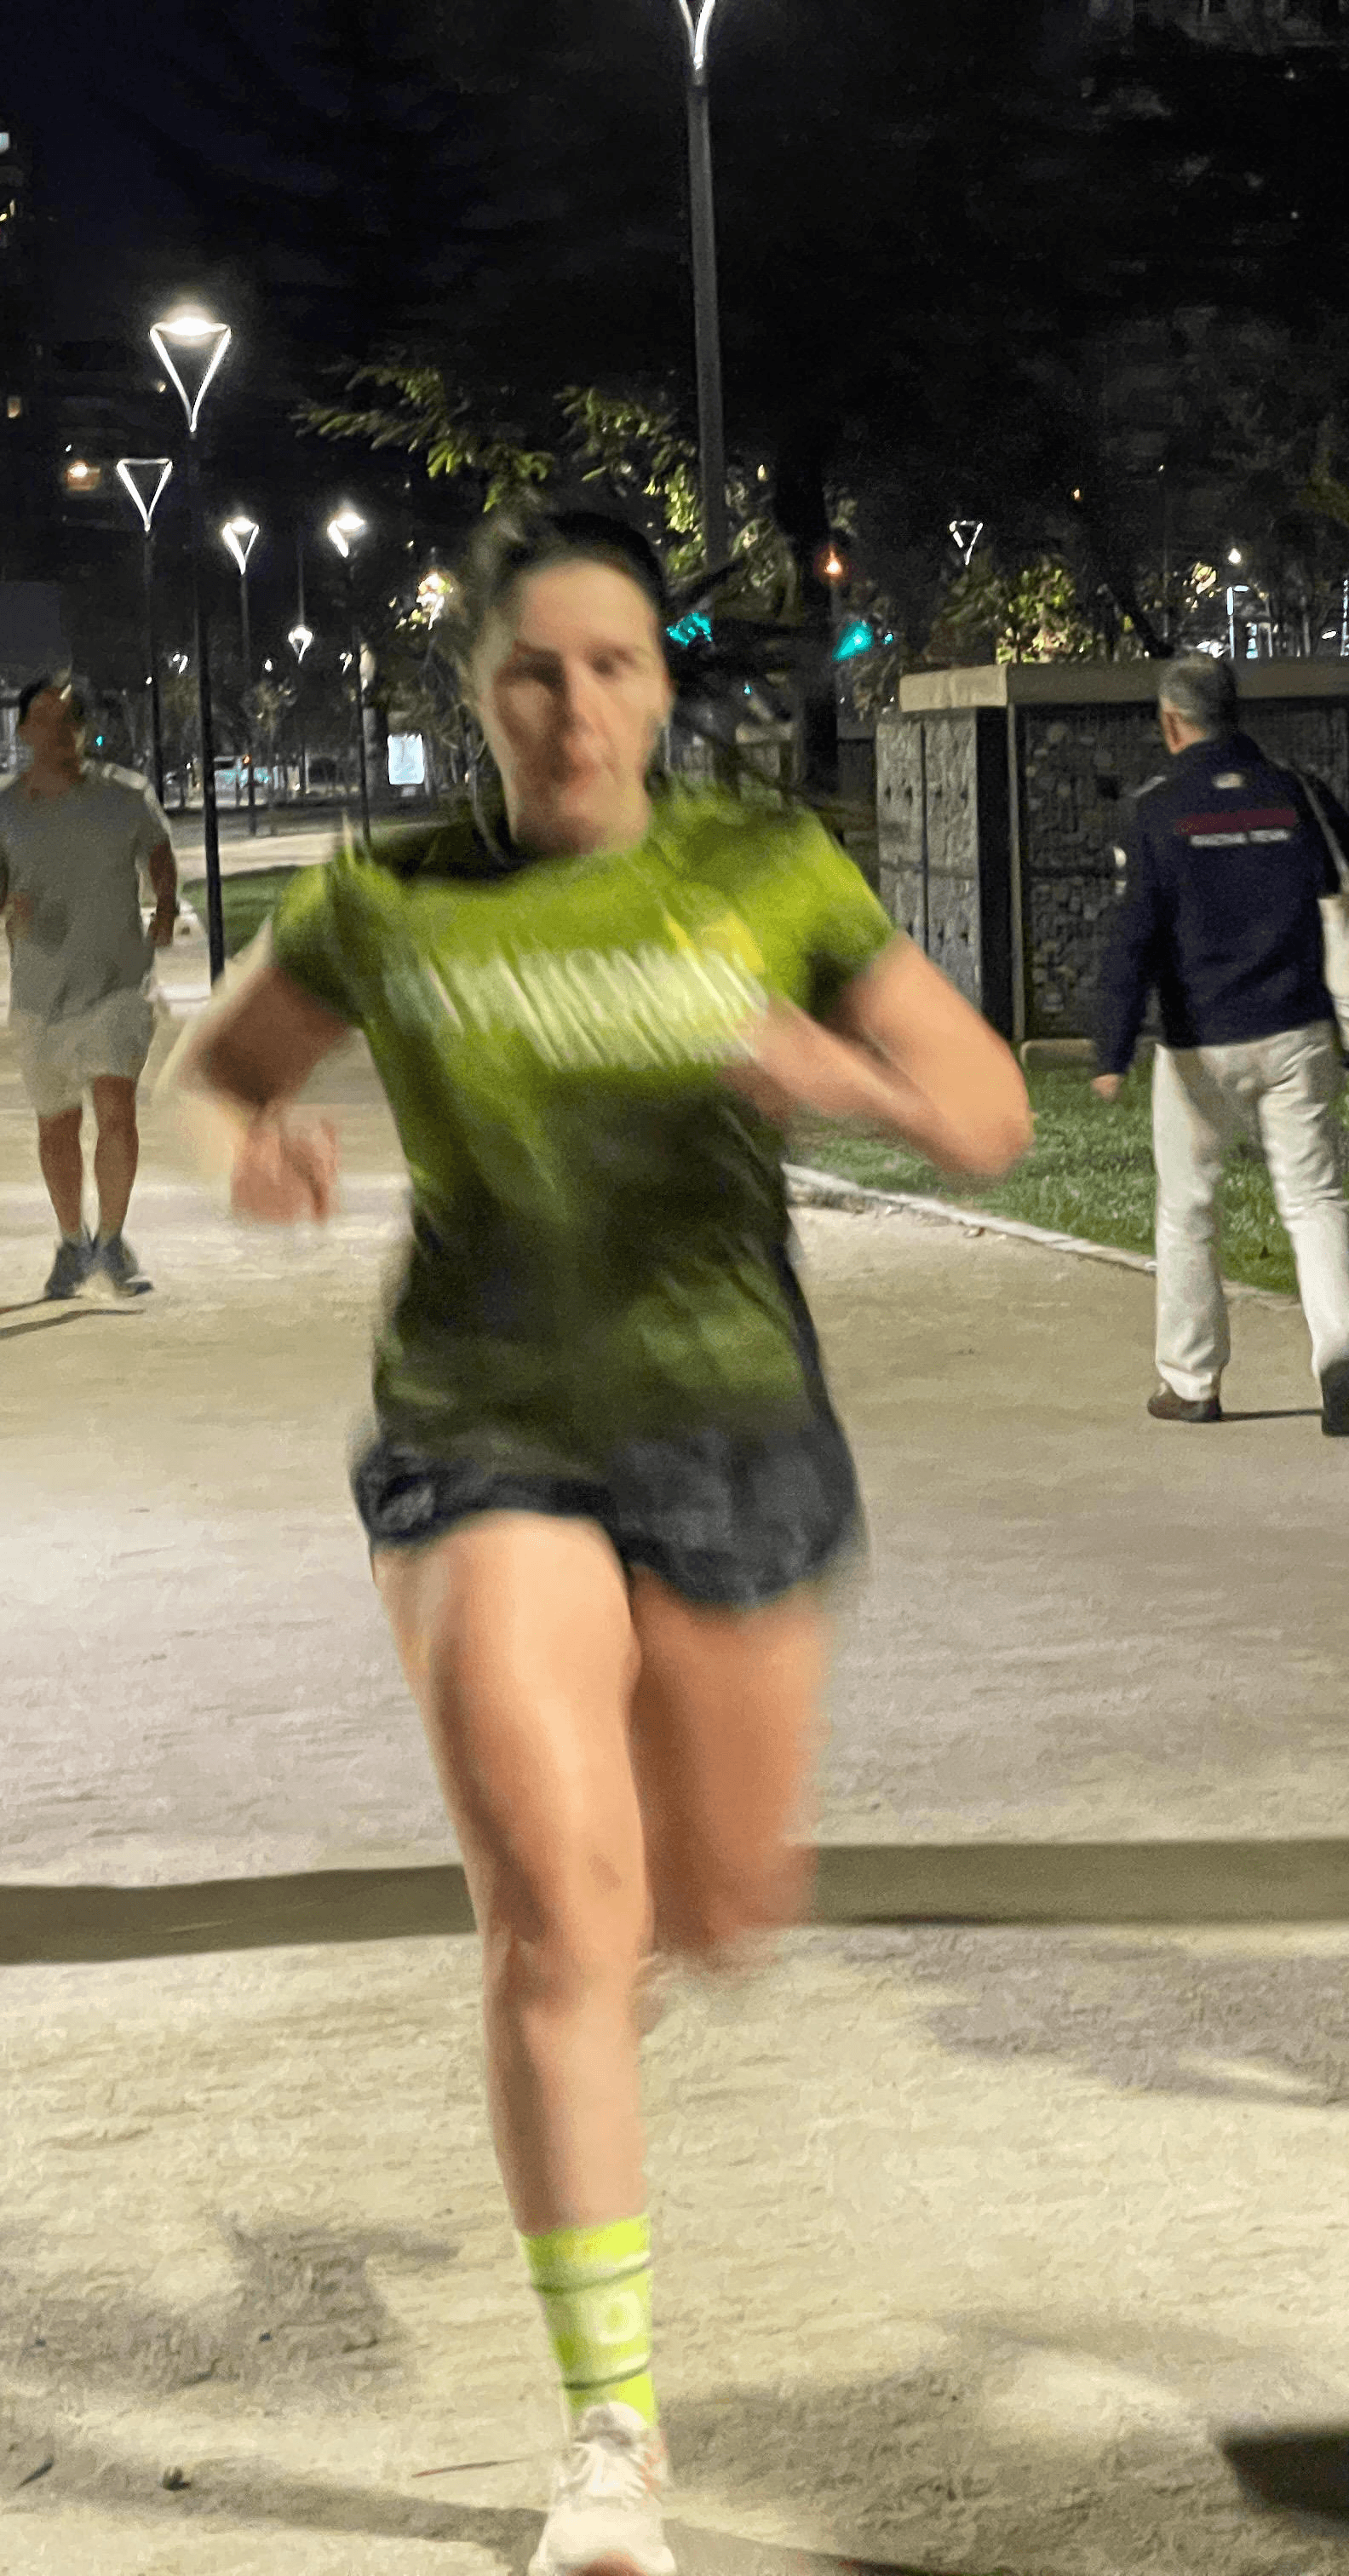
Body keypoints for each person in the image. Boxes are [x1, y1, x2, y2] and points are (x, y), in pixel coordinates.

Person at [175, 505, 1031, 2576]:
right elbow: (221, 1068)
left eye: (614, 667)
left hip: (737, 1437)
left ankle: (645, 1946)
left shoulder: (767, 868)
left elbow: (994, 1115)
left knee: (717, 1915)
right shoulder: (387, 898)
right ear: (475, 692)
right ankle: (611, 2440)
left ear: (661, 687)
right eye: (533, 672)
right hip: (481, 1433)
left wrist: (834, 1074)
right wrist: (249, 1145)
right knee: (556, 1916)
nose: (574, 708)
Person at [1094, 653, 1349, 1434]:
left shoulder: (1157, 809)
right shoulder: (1299, 792)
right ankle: (1342, 1354)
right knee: (1314, 1199)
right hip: (1299, 1028)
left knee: (1189, 1207)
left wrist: (1112, 1049)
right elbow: (1341, 894)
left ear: (1172, 722)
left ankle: (1192, 1381)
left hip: (1200, 1044)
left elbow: (1135, 935)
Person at [0, 676, 178, 1298]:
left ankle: (113, 1241)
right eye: (44, 720)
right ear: (24, 731)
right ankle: (72, 1244)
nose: (58, 732)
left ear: (82, 729)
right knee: (57, 1125)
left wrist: (165, 905)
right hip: (39, 993)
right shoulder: (5, 809)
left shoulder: (125, 794)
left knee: (116, 1110)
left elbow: (158, 850)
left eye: (69, 720)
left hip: (117, 983)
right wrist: (11, 910)